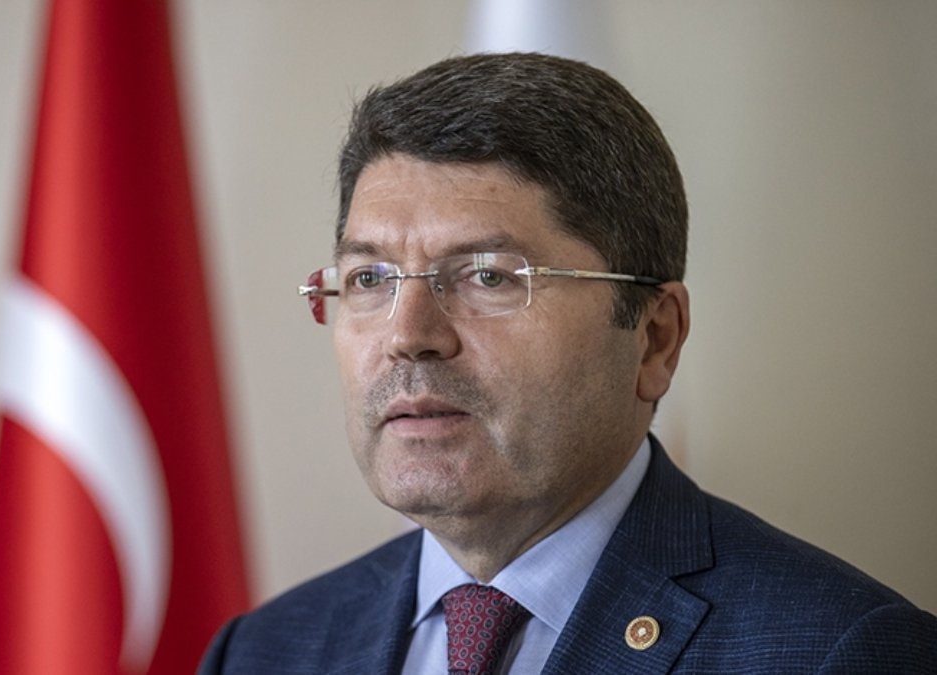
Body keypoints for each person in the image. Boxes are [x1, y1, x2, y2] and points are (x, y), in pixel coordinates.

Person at [199, 52, 937, 674]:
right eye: (370, 278)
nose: (408, 335)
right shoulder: (263, 652)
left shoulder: (841, 652)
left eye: (487, 276)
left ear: (654, 337)